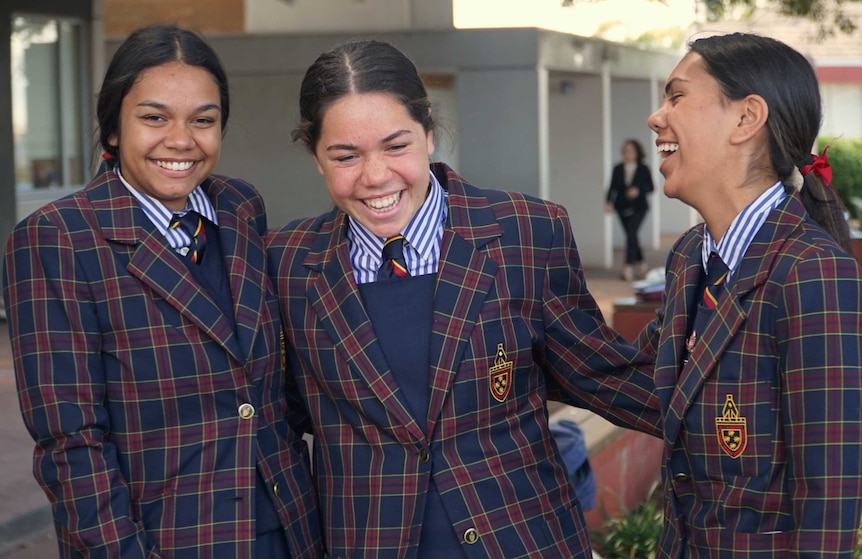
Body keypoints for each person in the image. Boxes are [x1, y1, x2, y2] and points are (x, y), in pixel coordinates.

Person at [266, 39, 661, 558]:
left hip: (524, 542)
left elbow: (603, 374)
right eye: (345, 156)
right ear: (316, 156)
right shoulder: (286, 262)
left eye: (396, 146)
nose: (376, 175)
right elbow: (269, 420)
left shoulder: (526, 231)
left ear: (428, 132)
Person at [2, 24, 322, 559]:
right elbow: (71, 442)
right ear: (112, 129)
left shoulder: (240, 208)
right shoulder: (58, 239)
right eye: (154, 118)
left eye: (204, 120)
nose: (181, 140)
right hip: (164, 540)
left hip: (288, 528)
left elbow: (270, 388)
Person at [638, 32, 862, 557]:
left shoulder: (811, 271)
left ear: (746, 119)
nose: (656, 117)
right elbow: (641, 384)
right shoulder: (691, 255)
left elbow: (828, 500)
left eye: (676, 96)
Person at [605, 138, 654, 281]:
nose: (627, 154)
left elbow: (651, 187)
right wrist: (609, 202)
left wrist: (638, 190)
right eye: (625, 151)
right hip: (622, 206)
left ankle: (627, 266)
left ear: (637, 153)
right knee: (631, 236)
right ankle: (641, 263)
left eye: (630, 151)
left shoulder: (643, 168)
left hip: (640, 207)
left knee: (631, 234)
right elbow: (612, 187)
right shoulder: (618, 169)